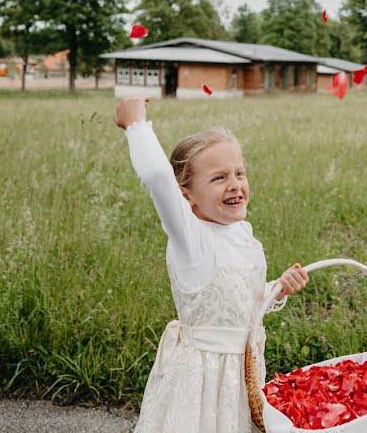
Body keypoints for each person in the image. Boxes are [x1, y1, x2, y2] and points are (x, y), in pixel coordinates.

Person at [114, 97, 309, 433]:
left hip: (241, 374)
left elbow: (240, 299)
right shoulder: (191, 241)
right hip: (203, 380)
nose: (235, 183)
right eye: (218, 178)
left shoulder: (241, 233)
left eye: (239, 173)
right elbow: (159, 177)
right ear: (186, 195)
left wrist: (277, 289)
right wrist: (136, 124)